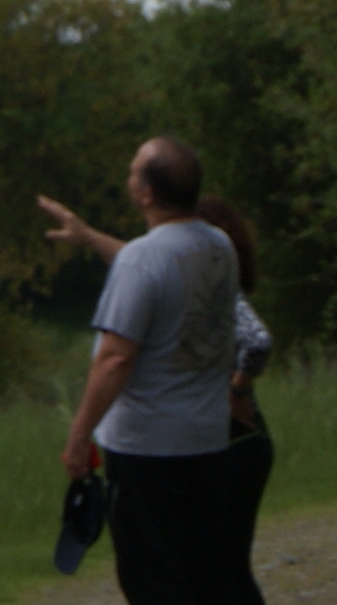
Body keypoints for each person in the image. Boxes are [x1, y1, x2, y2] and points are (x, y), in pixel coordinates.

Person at [38, 190, 273, 605]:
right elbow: (147, 265)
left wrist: (236, 389)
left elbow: (257, 341)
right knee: (219, 573)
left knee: (201, 574)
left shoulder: (208, 285)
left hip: (220, 439)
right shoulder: (203, 271)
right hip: (225, 441)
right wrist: (88, 237)